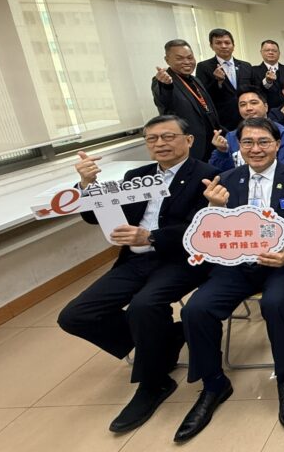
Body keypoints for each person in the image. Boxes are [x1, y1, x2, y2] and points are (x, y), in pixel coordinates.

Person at [57, 115, 216, 434]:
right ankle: (164, 339)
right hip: (134, 260)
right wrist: (87, 186)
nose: (160, 144)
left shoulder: (207, 175)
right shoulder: (137, 176)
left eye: (168, 136)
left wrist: (152, 237)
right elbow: (96, 217)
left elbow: (203, 226)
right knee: (74, 315)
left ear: (188, 140)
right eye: (152, 139)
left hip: (180, 259)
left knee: (144, 306)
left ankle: (153, 382)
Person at [176, 118, 284, 442]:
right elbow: (205, 232)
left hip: (281, 264)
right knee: (196, 310)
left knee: (276, 304)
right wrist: (213, 208)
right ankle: (213, 384)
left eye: (263, 142)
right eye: (248, 142)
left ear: (277, 145)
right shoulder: (225, 180)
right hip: (236, 267)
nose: (256, 149)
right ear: (240, 146)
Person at [152, 39, 220, 161]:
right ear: (167, 60)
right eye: (180, 58)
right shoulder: (163, 81)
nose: (187, 62)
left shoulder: (195, 80)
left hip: (211, 145)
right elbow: (163, 99)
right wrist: (165, 85)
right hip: (190, 147)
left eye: (190, 57)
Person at [209, 88, 284, 172]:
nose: (248, 108)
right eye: (243, 105)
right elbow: (222, 173)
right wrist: (221, 152)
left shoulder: (283, 133)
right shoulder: (231, 136)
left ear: (266, 107)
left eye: (254, 103)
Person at [195, 28, 256, 131]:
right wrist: (217, 81)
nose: (223, 46)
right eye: (218, 43)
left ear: (233, 45)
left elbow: (254, 89)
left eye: (227, 43)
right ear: (211, 46)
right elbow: (203, 95)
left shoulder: (246, 66)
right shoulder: (204, 67)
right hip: (222, 120)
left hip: (247, 115)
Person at [255, 39, 284, 111]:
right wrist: (267, 82)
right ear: (261, 52)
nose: (271, 52)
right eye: (267, 50)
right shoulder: (253, 71)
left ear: (279, 53)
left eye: (274, 51)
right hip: (265, 111)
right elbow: (256, 91)